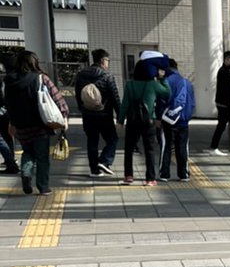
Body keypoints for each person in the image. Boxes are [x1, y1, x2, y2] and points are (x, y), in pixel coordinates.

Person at [3, 51, 69, 195]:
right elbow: (57, 97)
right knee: (42, 157)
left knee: (27, 152)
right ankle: (43, 187)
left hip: (20, 125)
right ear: (34, 62)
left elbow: (8, 104)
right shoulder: (41, 78)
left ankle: (26, 173)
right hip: (40, 124)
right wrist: (64, 115)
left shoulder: (9, 81)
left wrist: (11, 123)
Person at [118, 51, 169, 186]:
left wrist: (120, 121)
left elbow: (125, 104)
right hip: (148, 120)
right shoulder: (153, 84)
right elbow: (167, 92)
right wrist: (162, 78)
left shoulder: (130, 85)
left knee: (129, 148)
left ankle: (128, 176)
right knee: (149, 149)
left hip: (132, 120)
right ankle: (150, 179)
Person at [74, 47, 120, 177]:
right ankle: (104, 161)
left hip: (88, 115)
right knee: (112, 139)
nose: (108, 63)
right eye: (108, 60)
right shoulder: (107, 76)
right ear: (103, 60)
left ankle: (94, 170)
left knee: (92, 141)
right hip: (104, 115)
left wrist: (82, 108)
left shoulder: (80, 75)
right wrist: (120, 115)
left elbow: (78, 94)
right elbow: (115, 97)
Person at [158, 59, 194, 182]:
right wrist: (188, 115)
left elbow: (161, 102)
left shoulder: (165, 82)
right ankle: (184, 174)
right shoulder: (187, 83)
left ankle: (164, 174)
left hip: (168, 119)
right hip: (183, 120)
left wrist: (159, 117)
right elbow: (192, 102)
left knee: (166, 146)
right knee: (182, 147)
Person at [210, 50, 230, 154]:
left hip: (223, 103)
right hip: (225, 104)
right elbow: (229, 88)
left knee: (226, 125)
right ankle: (214, 147)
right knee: (228, 125)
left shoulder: (225, 71)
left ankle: (214, 147)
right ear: (226, 59)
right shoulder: (224, 72)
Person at [0, 60, 19, 175]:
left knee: (3, 139)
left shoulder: (4, 81)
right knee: (6, 137)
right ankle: (11, 161)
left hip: (2, 111)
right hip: (6, 112)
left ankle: (11, 162)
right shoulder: (7, 79)